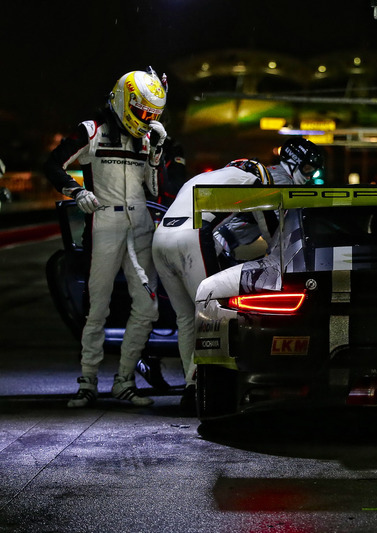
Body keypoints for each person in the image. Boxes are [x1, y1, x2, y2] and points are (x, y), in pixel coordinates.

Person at [43, 67, 168, 408]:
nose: (146, 120)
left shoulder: (146, 140)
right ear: (125, 100)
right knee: (97, 307)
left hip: (141, 225)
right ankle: (87, 382)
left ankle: (124, 380)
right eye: (142, 112)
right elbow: (54, 164)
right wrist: (75, 190)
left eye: (153, 115)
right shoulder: (91, 131)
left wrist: (157, 153)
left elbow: (157, 188)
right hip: (105, 226)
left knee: (149, 307)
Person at [151, 159, 270, 412]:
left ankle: (189, 385)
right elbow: (270, 229)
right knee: (209, 317)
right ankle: (201, 386)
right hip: (192, 235)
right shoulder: (251, 180)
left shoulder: (198, 179)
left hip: (160, 238)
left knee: (184, 319)